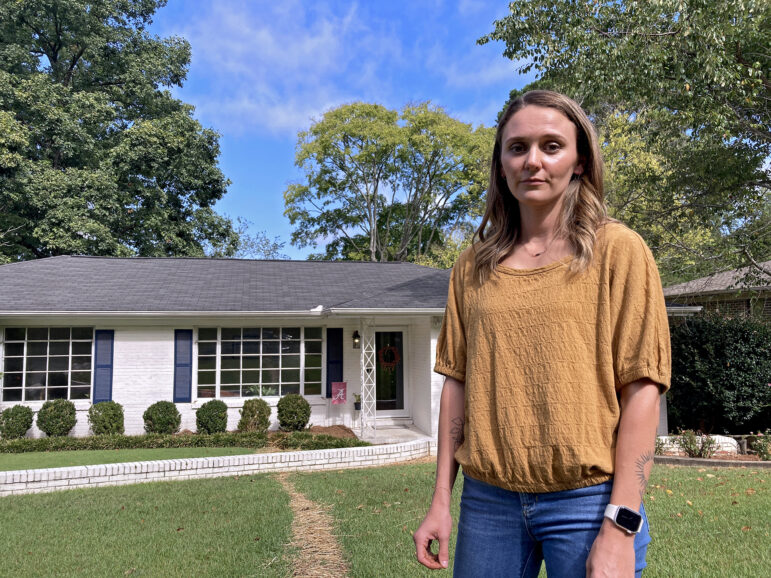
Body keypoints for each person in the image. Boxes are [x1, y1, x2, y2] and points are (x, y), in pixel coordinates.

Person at [413, 90, 670, 577]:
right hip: (489, 503)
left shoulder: (619, 251)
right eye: (517, 147)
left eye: (552, 146)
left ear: (579, 161)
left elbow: (643, 389)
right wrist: (441, 501)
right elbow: (457, 383)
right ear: (502, 164)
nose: (533, 160)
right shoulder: (473, 265)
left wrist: (621, 525)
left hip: (589, 504)